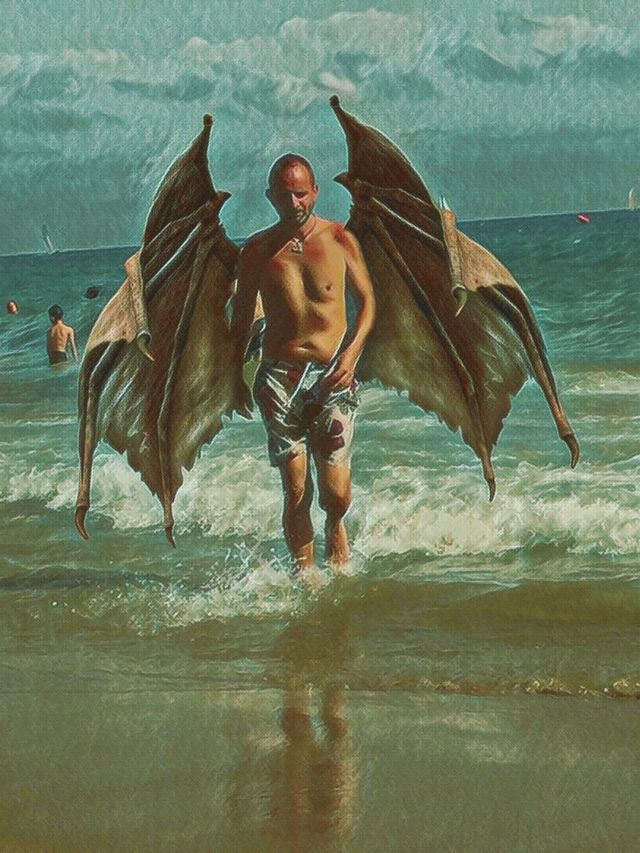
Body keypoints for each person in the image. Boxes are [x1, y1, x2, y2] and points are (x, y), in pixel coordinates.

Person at [231, 154, 375, 576]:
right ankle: (304, 577)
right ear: (270, 197)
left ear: (315, 191)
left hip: (333, 377)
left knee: (336, 494)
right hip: (278, 380)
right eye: (284, 195)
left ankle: (335, 525)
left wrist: (352, 354)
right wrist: (232, 375)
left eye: (300, 193)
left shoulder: (339, 238)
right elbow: (240, 320)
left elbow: (368, 302)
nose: (293, 203)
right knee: (296, 490)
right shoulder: (256, 251)